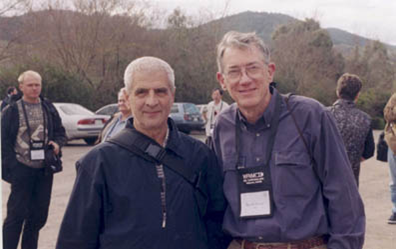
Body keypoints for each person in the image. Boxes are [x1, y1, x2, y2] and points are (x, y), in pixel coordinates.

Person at [213, 31, 365, 249]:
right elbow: (216, 205)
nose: (245, 79)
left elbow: (345, 199)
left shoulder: (310, 116)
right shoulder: (222, 126)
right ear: (223, 81)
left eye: (253, 68)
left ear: (270, 72)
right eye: (234, 71)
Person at [56, 56, 227, 248]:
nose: (151, 101)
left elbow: (218, 225)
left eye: (160, 91)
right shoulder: (98, 163)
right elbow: (76, 240)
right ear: (127, 98)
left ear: (173, 95)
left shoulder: (200, 155)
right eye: (142, 92)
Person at [2, 70, 67, 249]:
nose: (34, 88)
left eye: (37, 84)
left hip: (44, 169)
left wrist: (58, 144)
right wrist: (11, 168)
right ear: (21, 87)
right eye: (30, 85)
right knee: (16, 216)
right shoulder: (12, 110)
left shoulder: (48, 107)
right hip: (21, 168)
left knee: (38, 217)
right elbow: (4, 142)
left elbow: (61, 132)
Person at [328, 73, 375, 186]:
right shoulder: (365, 119)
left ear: (337, 92)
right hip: (350, 182)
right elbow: (369, 152)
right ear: (357, 95)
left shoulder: (323, 114)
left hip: (323, 180)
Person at [384, 93, 396, 224]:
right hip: (394, 144)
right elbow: (387, 113)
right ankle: (395, 210)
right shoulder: (395, 97)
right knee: (394, 181)